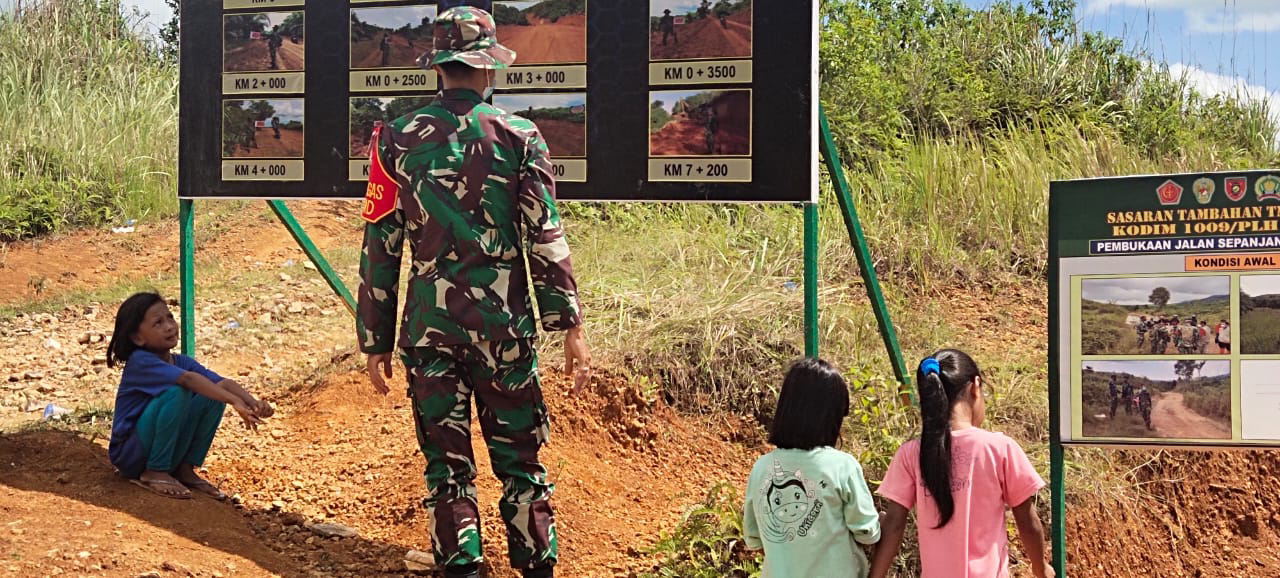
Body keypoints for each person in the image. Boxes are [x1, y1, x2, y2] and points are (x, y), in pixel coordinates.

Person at [357, 8, 590, 578]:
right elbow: (545, 237)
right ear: (488, 70)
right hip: (503, 331)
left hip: (429, 332)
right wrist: (570, 327)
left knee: (447, 469)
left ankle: (461, 567)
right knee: (522, 465)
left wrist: (374, 338)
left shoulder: (394, 139)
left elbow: (380, 242)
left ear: (439, 67)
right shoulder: (520, 137)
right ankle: (536, 568)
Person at [869, 350, 1052, 578]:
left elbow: (894, 523)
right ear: (975, 386)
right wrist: (1040, 567)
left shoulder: (910, 454)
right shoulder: (1000, 448)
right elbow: (1026, 520)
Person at [106, 292, 273, 500]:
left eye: (170, 318)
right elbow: (188, 380)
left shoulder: (180, 361)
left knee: (213, 394)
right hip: (130, 455)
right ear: (137, 338)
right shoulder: (140, 362)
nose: (169, 326)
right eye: (158, 323)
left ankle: (184, 469)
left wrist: (252, 402)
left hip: (161, 447)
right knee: (178, 392)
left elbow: (223, 383)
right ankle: (155, 471)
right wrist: (234, 401)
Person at [742, 358, 881, 577]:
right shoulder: (842, 467)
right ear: (831, 416)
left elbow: (754, 539)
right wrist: (881, 522)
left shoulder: (761, 468)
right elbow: (867, 533)